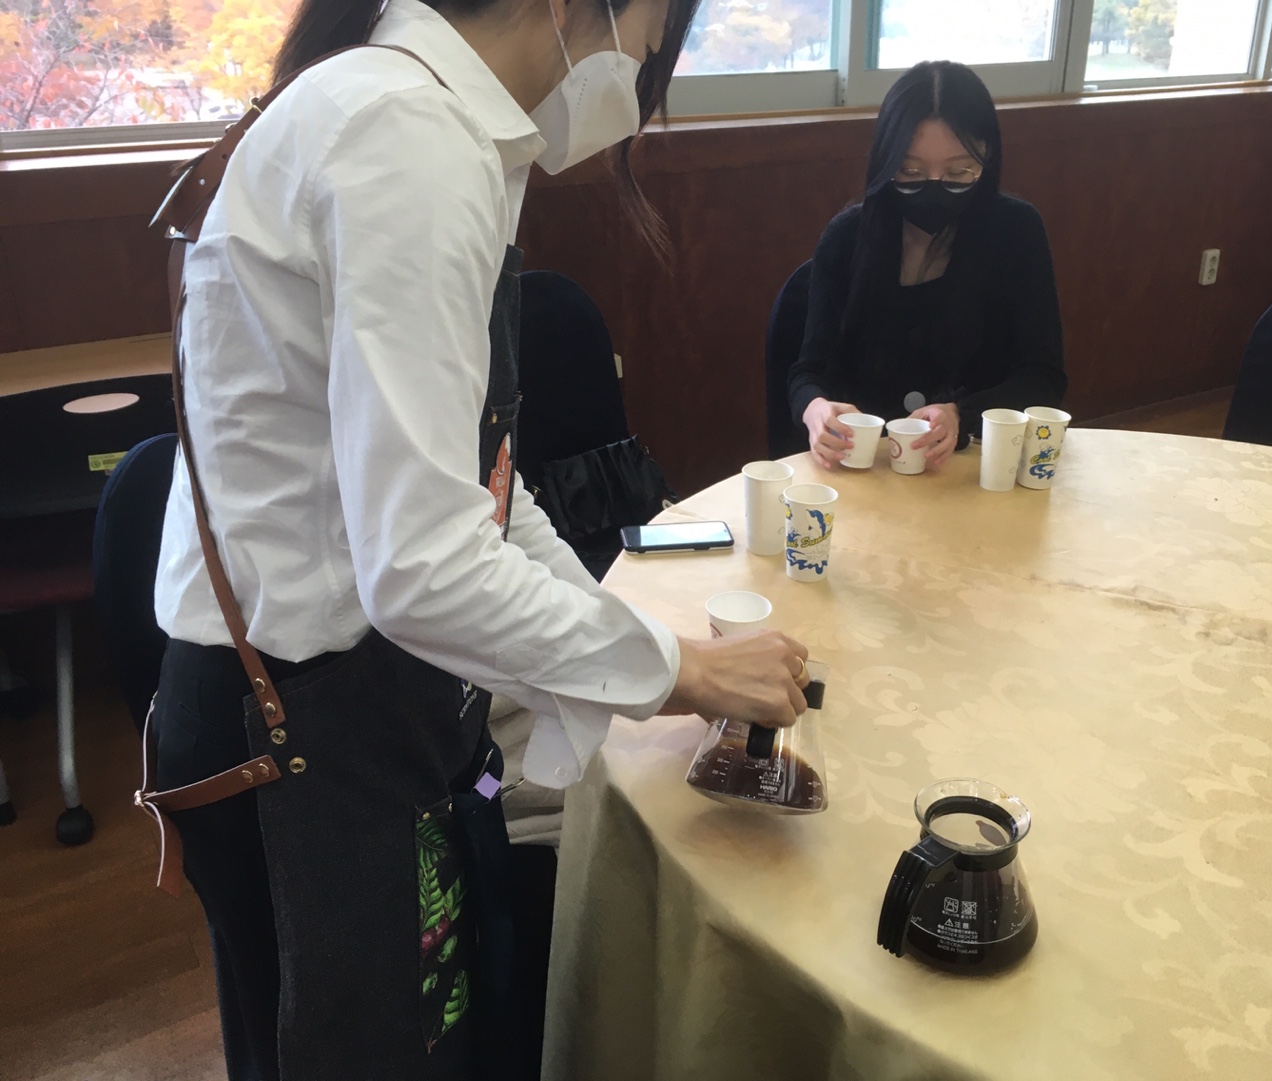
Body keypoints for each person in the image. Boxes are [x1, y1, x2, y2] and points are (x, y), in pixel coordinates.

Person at [142, 0, 811, 1078]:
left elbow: (486, 489)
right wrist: (678, 672)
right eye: (650, 38)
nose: (640, 69)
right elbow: (423, 568)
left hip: (347, 697)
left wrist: (638, 645)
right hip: (298, 725)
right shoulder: (407, 137)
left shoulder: (444, 129)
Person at [788, 60, 1067, 470]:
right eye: (910, 171)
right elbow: (807, 373)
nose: (934, 188)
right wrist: (814, 408)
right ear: (886, 163)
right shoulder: (847, 238)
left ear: (988, 159)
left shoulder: (1016, 231)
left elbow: (1043, 377)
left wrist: (961, 414)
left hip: (975, 467)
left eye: (959, 171)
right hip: (866, 467)